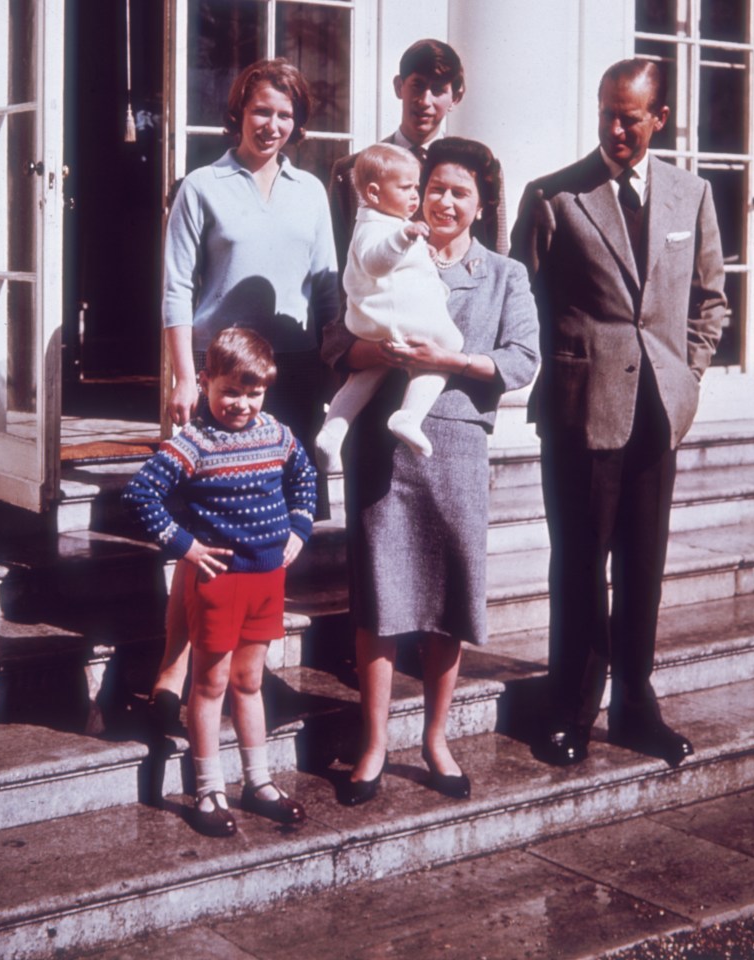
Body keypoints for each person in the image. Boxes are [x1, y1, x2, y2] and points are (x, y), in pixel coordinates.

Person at [509, 58, 726, 769]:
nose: (614, 127)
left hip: (658, 412)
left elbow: (708, 300)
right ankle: (569, 709)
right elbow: (523, 300)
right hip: (580, 414)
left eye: (629, 116)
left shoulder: (691, 195)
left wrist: (687, 376)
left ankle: (635, 704)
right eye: (606, 111)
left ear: (659, 118)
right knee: (579, 563)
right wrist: (565, 365)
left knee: (644, 567)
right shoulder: (555, 196)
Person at [322, 137, 539, 805]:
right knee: (380, 599)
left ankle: (436, 738)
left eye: (459, 192)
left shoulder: (504, 274)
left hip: (454, 442)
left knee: (449, 597)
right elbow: (334, 342)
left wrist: (453, 362)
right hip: (382, 449)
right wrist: (377, 350)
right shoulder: (384, 251)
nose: (443, 201)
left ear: (479, 204)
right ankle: (373, 743)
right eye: (435, 187)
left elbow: (522, 360)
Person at [151, 58, 338, 724]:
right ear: (239, 110)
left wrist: (346, 353)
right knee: (204, 530)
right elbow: (175, 286)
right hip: (221, 374)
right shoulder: (203, 186)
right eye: (262, 110)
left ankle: (243, 666)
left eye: (286, 115)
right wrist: (184, 377)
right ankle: (176, 665)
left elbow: (326, 284)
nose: (273, 124)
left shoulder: (311, 192)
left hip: (289, 376)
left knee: (263, 528)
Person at [122, 328, 317, 836]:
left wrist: (299, 525)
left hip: (267, 579)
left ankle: (259, 783)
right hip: (218, 582)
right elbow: (143, 494)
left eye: (254, 393)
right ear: (204, 381)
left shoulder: (277, 434)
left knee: (249, 682)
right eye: (231, 391)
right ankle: (207, 789)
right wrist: (184, 545)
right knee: (208, 686)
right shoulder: (193, 443)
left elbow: (305, 477)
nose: (243, 404)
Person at [315, 143, 461, 471]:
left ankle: (333, 431)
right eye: (406, 187)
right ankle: (409, 416)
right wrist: (405, 237)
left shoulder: (384, 221)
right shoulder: (377, 226)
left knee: (368, 374)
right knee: (450, 345)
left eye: (416, 187)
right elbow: (375, 263)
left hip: (381, 321)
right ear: (374, 193)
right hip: (393, 317)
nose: (415, 195)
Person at [328, 39, 507, 276]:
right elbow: (341, 267)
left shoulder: (478, 168)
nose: (425, 101)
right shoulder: (352, 172)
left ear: (456, 96)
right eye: (417, 85)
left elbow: (497, 255)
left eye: (438, 90)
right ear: (399, 86)